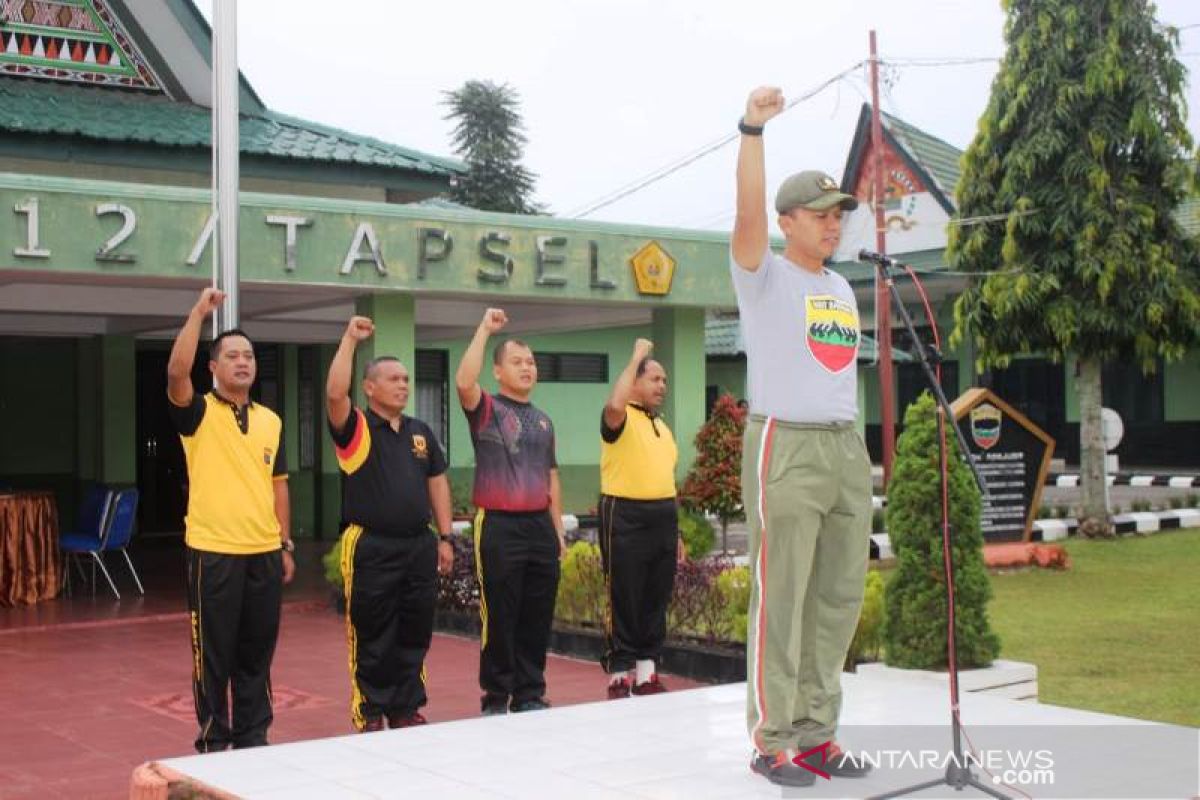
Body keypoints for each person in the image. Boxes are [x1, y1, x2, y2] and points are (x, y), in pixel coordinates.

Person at [732, 86, 874, 787]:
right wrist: (752, 131)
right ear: (788, 221)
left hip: (845, 447)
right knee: (782, 595)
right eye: (819, 215)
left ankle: (819, 734)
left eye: (838, 214)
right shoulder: (765, 277)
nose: (832, 224)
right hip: (784, 444)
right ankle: (772, 739)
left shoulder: (843, 289)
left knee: (838, 596)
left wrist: (857, 456)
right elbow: (745, 215)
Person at [166, 287, 294, 753]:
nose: (243, 362)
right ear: (214, 367)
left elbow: (278, 483)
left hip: (263, 552)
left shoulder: (271, 421)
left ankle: (253, 735)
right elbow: (176, 372)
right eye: (232, 356)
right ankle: (213, 739)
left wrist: (285, 543)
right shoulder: (198, 413)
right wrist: (199, 312)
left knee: (257, 654)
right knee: (213, 655)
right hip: (213, 551)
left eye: (249, 356)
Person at [326, 315, 455, 733]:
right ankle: (371, 708)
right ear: (370, 387)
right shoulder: (356, 429)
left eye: (405, 378)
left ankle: (405, 705)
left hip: (418, 545)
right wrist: (349, 340)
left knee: (414, 629)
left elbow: (437, 484)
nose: (403, 384)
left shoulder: (421, 432)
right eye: (393, 379)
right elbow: (333, 393)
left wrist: (446, 537)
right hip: (372, 546)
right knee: (372, 632)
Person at [455, 307, 566, 715]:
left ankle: (530, 693)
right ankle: (497, 696)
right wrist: (484, 329)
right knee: (500, 613)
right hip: (499, 524)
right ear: (498, 372)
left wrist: (558, 532)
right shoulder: (486, 410)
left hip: (539, 525)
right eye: (517, 362)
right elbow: (464, 380)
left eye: (531, 362)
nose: (527, 368)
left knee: (537, 614)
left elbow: (551, 477)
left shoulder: (543, 421)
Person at [598, 338, 685, 699]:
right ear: (633, 382)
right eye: (654, 379)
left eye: (664, 380)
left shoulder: (662, 427)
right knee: (625, 594)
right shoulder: (619, 418)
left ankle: (647, 673)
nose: (661, 386)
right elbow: (614, 402)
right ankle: (619, 673)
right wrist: (635, 356)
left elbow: (667, 479)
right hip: (625, 514)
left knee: (656, 594)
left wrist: (676, 532)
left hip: (663, 516)